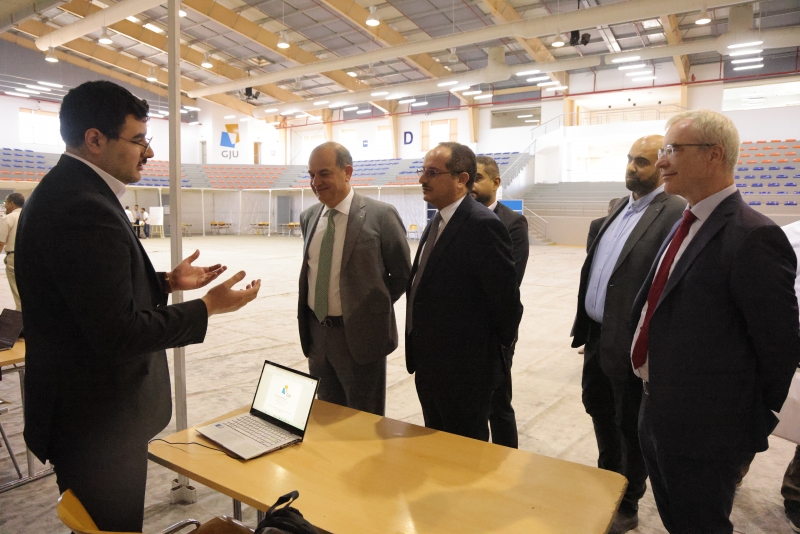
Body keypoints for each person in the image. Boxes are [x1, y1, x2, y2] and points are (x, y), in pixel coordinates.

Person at [16, 80, 261, 533]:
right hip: (96, 422)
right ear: (95, 139)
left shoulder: (70, 191)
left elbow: (89, 297)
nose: (148, 152)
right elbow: (118, 332)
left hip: (87, 414)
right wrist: (208, 306)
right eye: (138, 140)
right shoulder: (82, 207)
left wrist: (165, 282)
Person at [630, 109, 800, 534]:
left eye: (673, 149)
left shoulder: (753, 236)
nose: (662, 160)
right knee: (676, 519)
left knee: (701, 524)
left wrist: (748, 428)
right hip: (656, 409)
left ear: (714, 154)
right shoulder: (685, 221)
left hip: (707, 431)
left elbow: (779, 347)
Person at [570, 135, 685, 534]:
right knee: (598, 407)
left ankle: (629, 499)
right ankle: (607, 477)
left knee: (629, 423)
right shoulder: (621, 206)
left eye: (642, 161)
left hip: (632, 341)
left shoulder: (674, 212)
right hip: (598, 335)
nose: (633, 167)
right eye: (630, 159)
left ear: (662, 165)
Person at [406, 142, 522, 441]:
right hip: (431, 365)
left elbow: (506, 304)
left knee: (464, 451)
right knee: (437, 444)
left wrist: (487, 362)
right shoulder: (439, 220)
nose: (422, 179)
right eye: (423, 171)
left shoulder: (482, 225)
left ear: (461, 179)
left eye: (433, 173)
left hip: (465, 373)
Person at [298, 142, 410, 416]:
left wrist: (369, 308)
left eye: (324, 173)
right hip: (317, 336)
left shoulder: (381, 215)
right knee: (326, 414)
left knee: (364, 418)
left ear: (347, 172)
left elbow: (402, 274)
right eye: (311, 175)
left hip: (361, 337)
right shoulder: (309, 217)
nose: (315, 182)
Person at [471, 155, 529, 448]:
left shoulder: (512, 223)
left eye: (478, 178)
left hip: (496, 330)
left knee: (498, 402)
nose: (470, 184)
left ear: (496, 183)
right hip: (463, 332)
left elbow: (509, 281)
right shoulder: (457, 218)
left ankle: (507, 457)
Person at [781, 219, 800, 533]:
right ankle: (735, 469)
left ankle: (796, 492)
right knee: (763, 407)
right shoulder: (789, 235)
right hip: (785, 334)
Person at [0, 193, 25, 311]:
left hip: (14, 258)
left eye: (6, 202)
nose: (5, 205)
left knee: (18, 295)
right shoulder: (29, 216)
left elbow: (0, 243)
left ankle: (21, 319)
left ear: (12, 203)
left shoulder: (8, 218)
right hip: (31, 258)